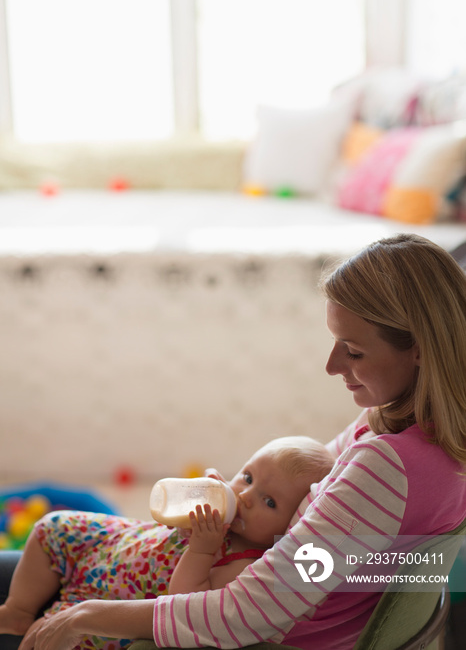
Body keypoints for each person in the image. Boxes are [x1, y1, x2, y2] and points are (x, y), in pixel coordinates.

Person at [1, 232, 466, 650]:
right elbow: (309, 474)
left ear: (421, 347)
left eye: (355, 350)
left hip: (216, 622)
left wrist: (87, 615)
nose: (331, 365)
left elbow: (248, 612)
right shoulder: (413, 435)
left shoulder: (388, 470)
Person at [0, 437, 333, 650]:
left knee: (59, 640)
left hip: (115, 602)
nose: (244, 497)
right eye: (247, 477)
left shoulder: (246, 564)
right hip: (113, 548)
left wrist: (202, 549)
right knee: (53, 527)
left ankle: (42, 618)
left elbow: (183, 604)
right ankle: (18, 609)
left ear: (291, 526)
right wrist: (195, 496)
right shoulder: (219, 512)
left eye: (269, 502)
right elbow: (162, 518)